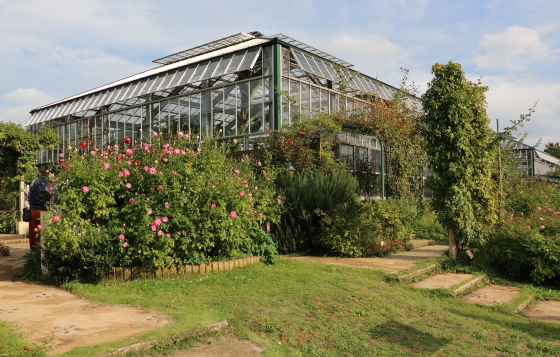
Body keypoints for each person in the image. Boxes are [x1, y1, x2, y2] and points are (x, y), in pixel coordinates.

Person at [28, 170, 50, 250]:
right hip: (45, 210)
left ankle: (33, 250)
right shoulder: (49, 184)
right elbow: (52, 198)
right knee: (44, 231)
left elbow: (29, 195)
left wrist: (31, 205)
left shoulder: (34, 182)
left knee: (33, 231)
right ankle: (43, 250)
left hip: (33, 210)